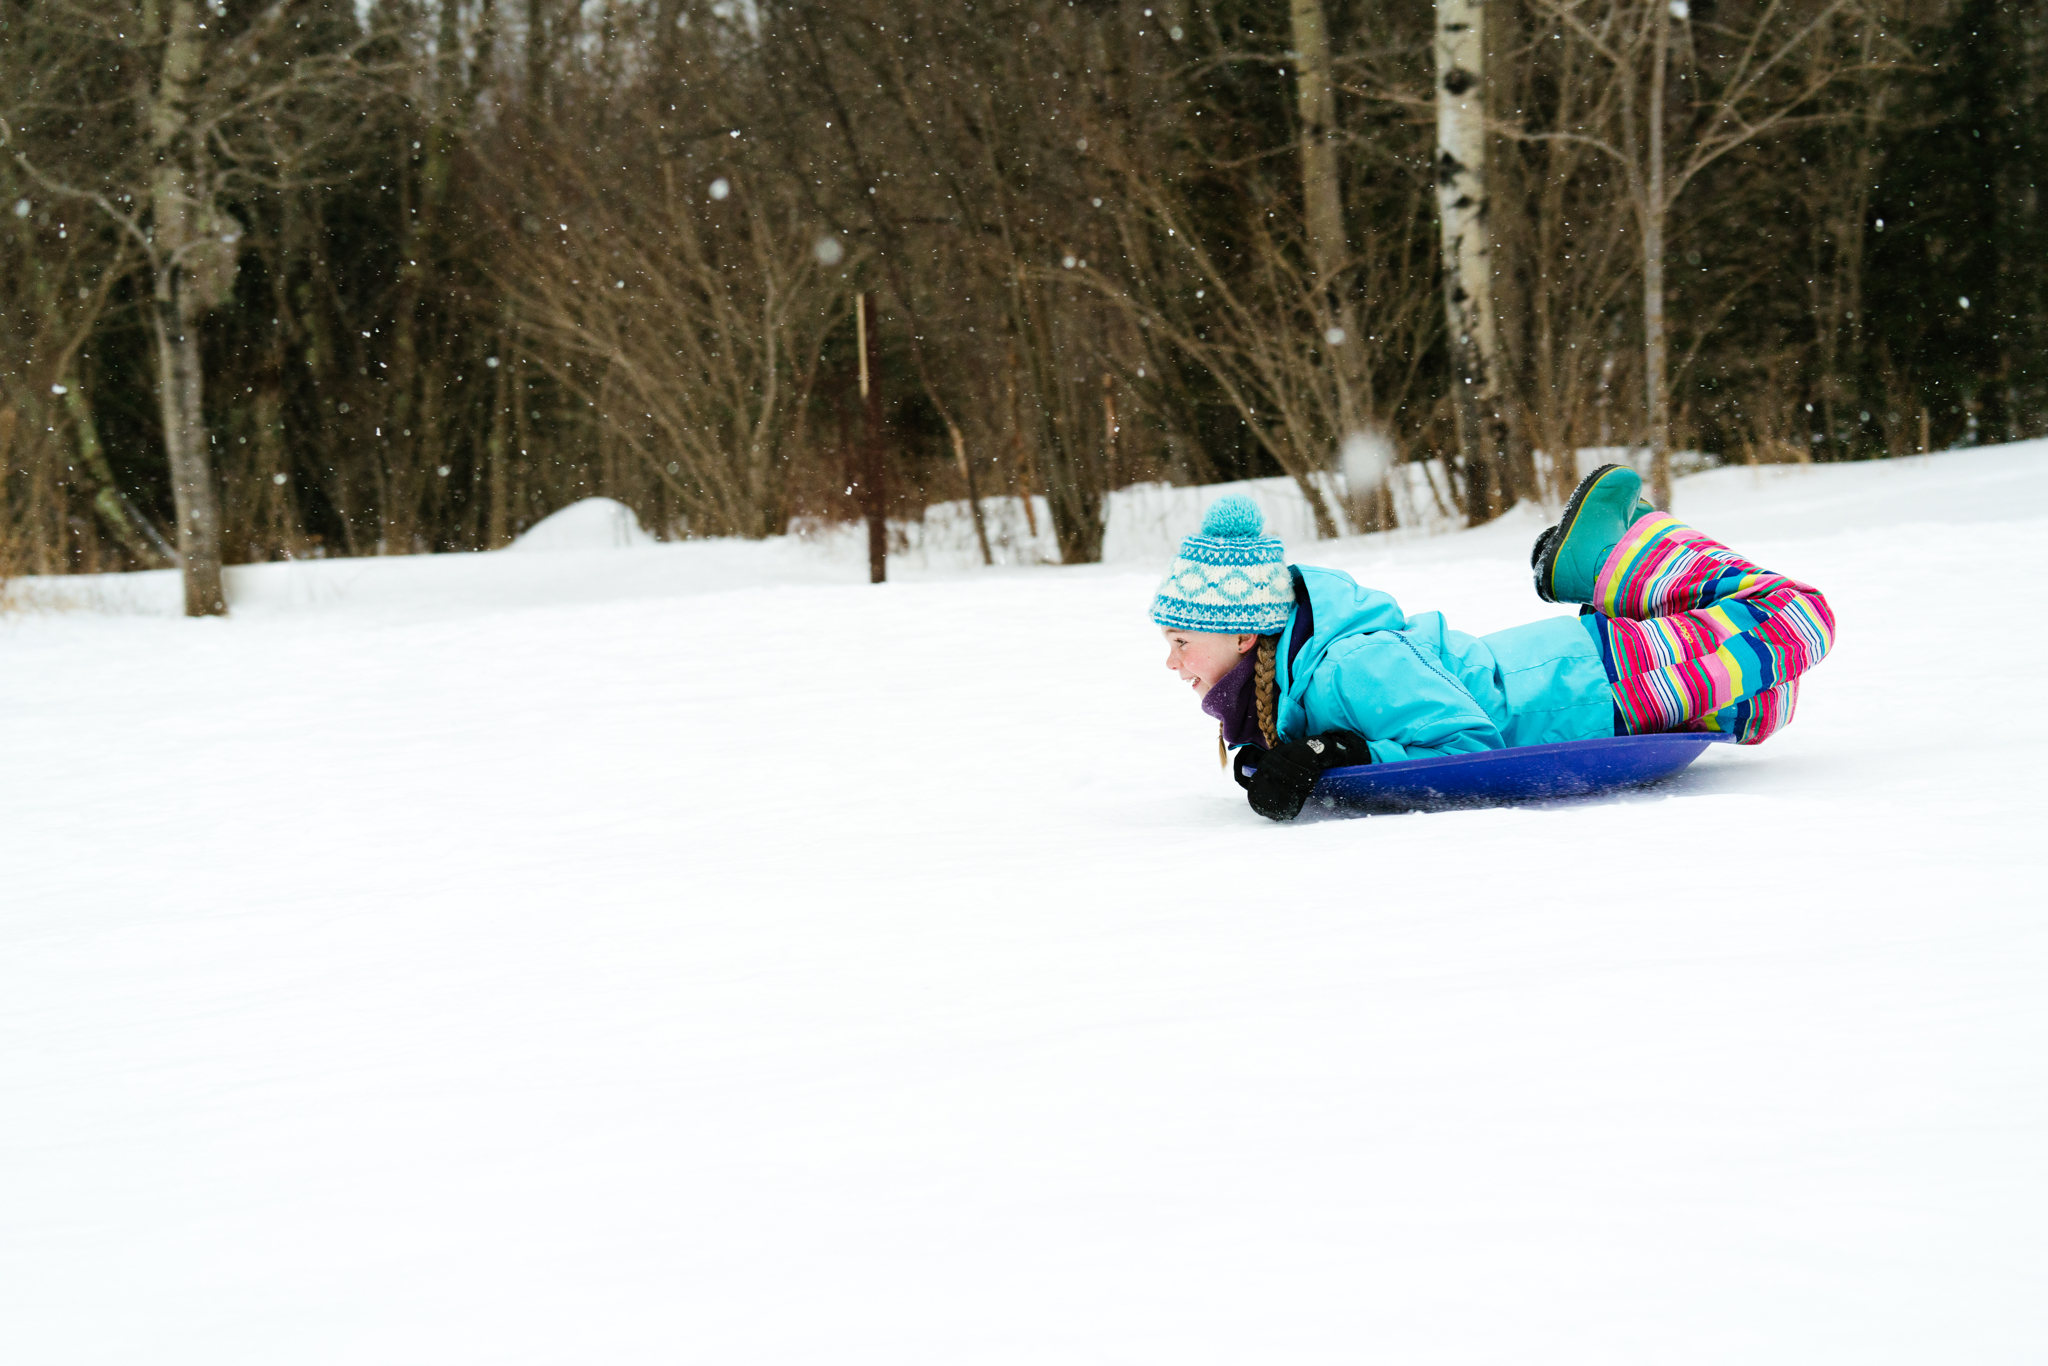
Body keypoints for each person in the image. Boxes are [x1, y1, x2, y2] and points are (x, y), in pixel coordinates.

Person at [1153, 464, 1836, 821]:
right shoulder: (1289, 697)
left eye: (1181, 640)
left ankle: (1605, 559)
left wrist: (1345, 752)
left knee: (1795, 618)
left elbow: (1468, 743)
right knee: (1762, 707)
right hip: (1594, 690)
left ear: (1244, 634)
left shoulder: (1350, 664)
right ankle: (1614, 559)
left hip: (1595, 682)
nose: (1172, 661)